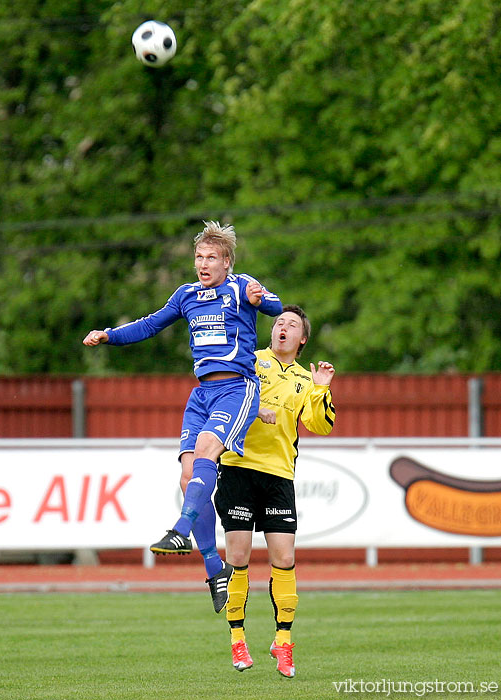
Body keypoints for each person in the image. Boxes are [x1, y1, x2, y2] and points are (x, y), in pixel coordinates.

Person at [83, 221, 282, 613]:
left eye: (211, 257)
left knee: (208, 449)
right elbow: (149, 325)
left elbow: (277, 307)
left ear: (227, 262)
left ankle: (182, 529)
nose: (203, 264)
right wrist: (109, 335)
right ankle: (214, 568)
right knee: (189, 475)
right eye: (198, 257)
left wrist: (262, 301)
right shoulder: (186, 295)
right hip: (202, 394)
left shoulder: (241, 285)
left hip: (236, 388)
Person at [214, 305, 335, 677]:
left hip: (279, 475)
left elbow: (320, 425)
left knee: (284, 558)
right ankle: (237, 639)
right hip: (238, 467)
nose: (282, 327)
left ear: (302, 339)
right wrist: (256, 407)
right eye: (279, 322)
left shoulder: (304, 378)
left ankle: (283, 642)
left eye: (292, 325)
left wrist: (320, 389)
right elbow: (224, 394)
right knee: (239, 555)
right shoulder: (251, 362)